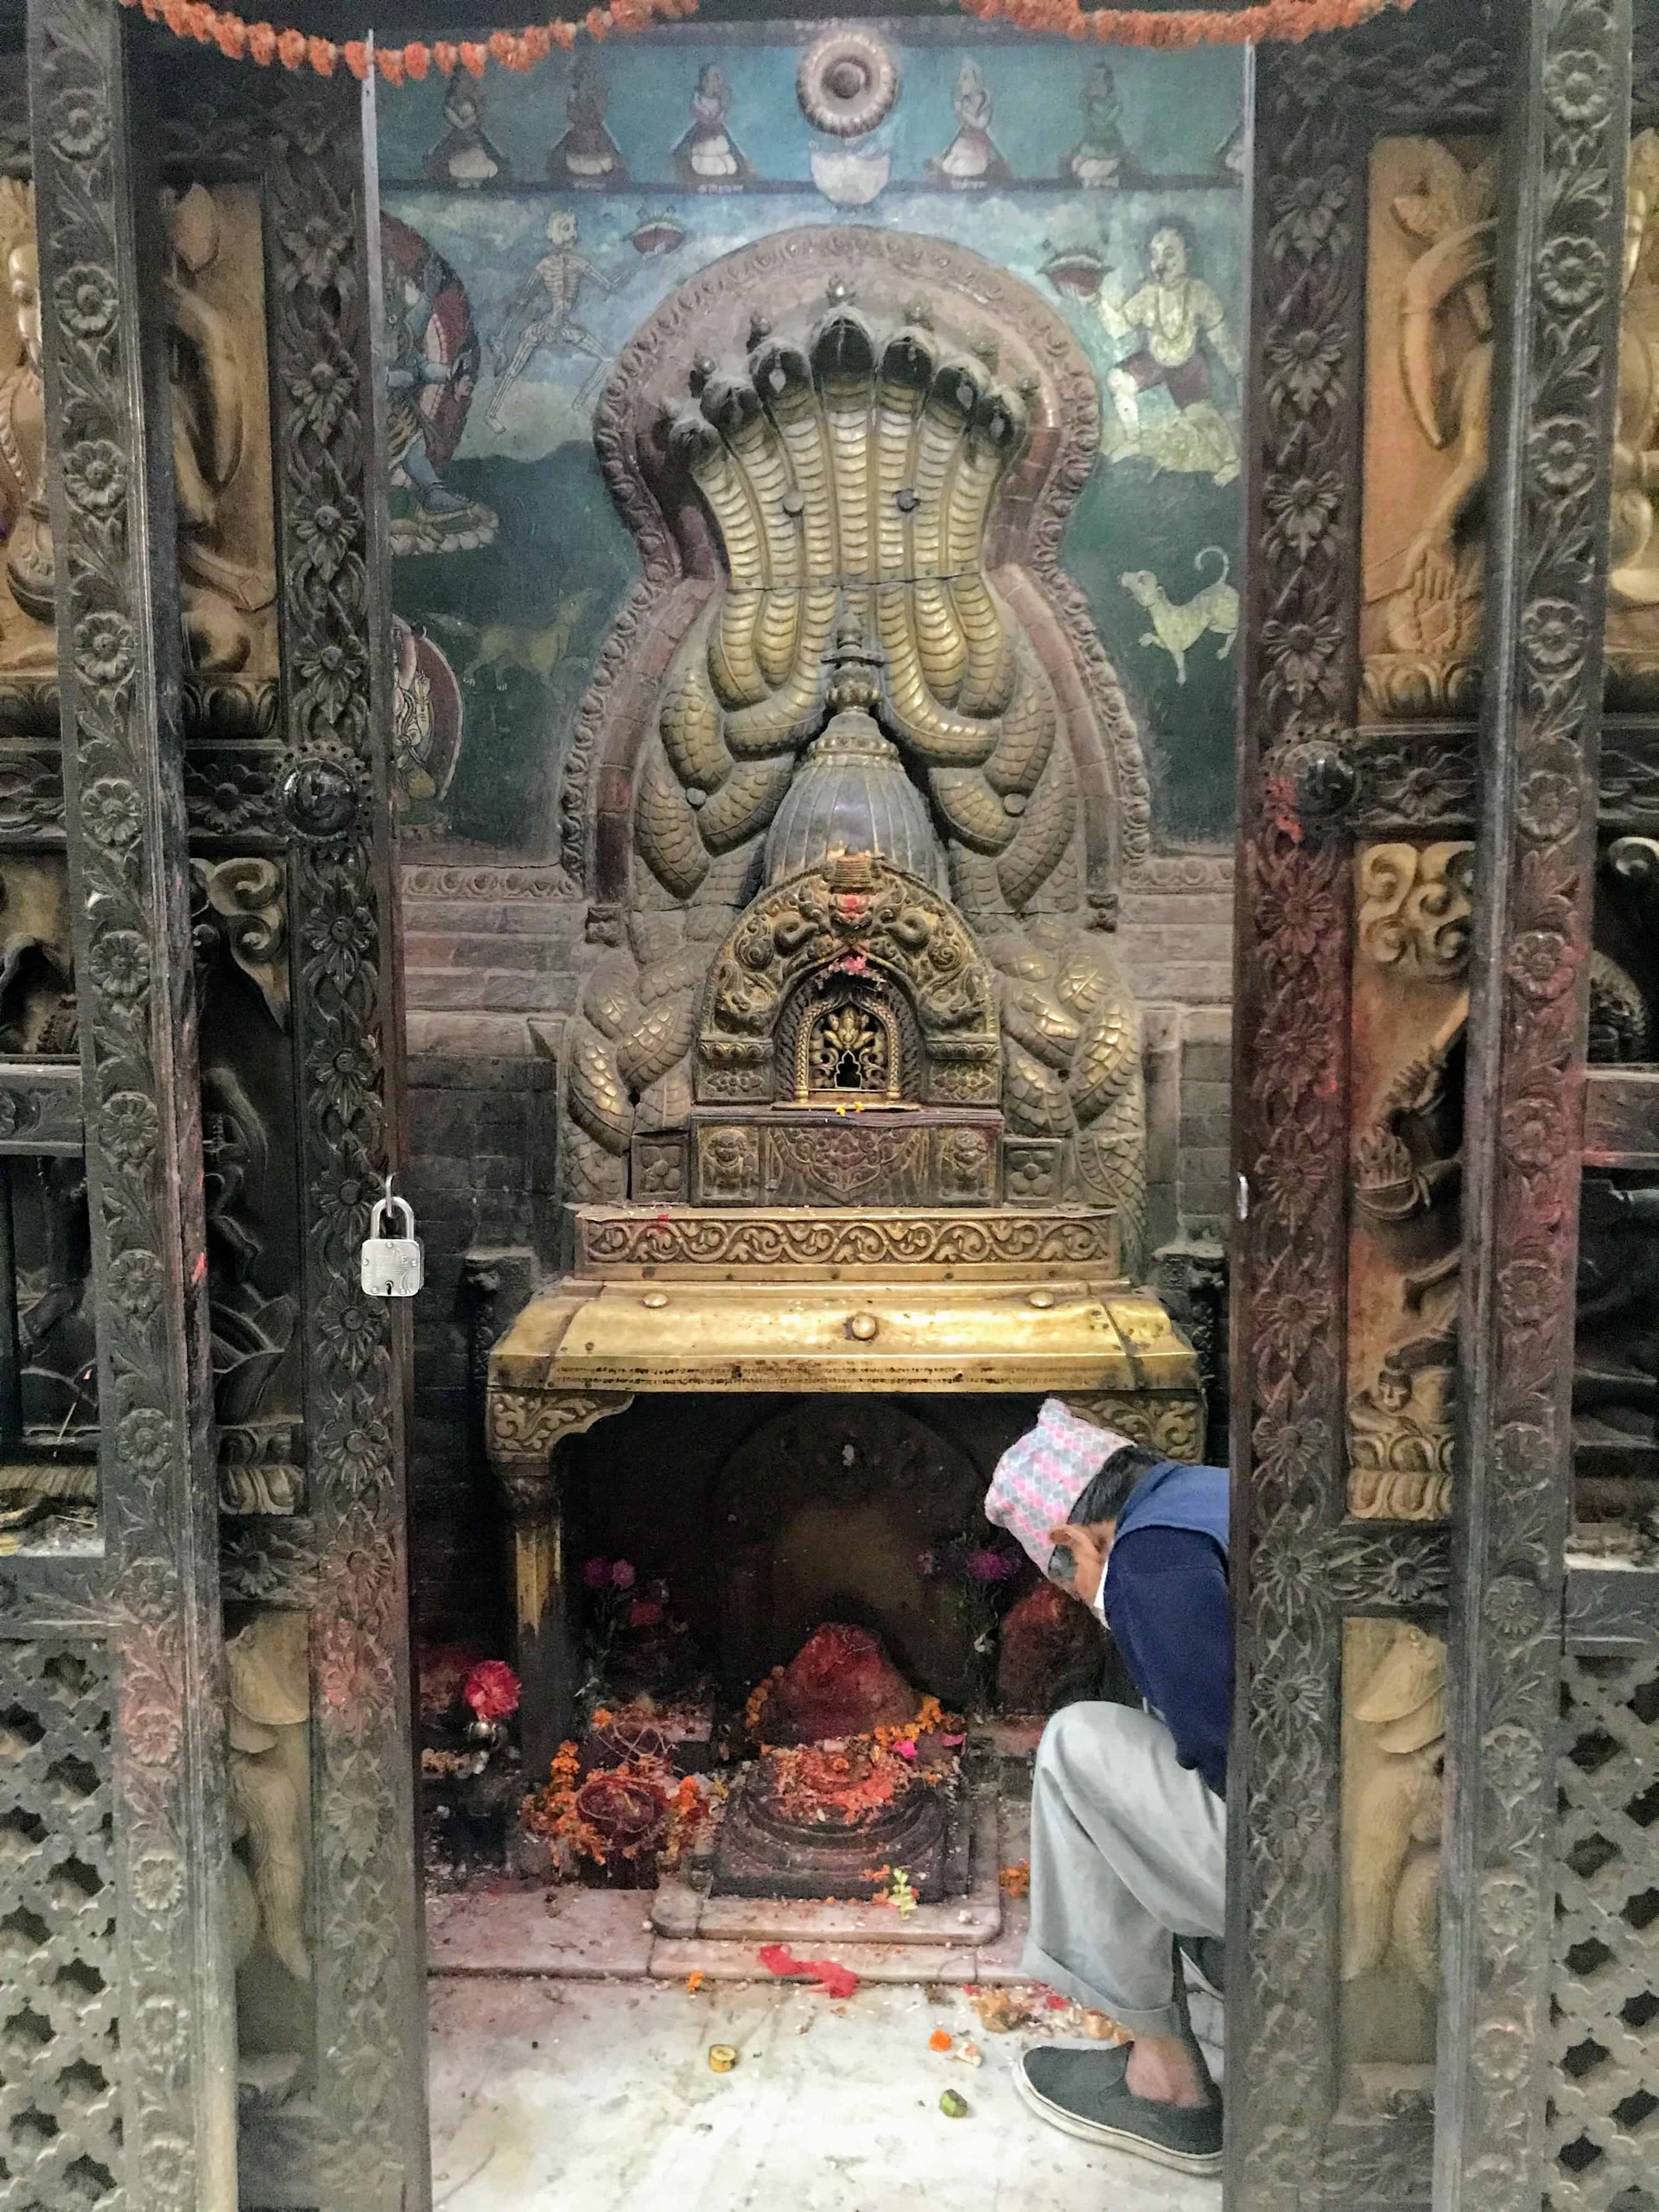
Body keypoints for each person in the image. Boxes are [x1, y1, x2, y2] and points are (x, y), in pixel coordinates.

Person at [983, 1395, 1230, 2178]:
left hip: (1322, 1863)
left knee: (1076, 1743)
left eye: (1069, 1581)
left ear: (1068, 1540)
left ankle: (1164, 2083)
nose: (1085, 1601)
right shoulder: (1210, 1493)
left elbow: (1231, 1759)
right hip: (1382, 1807)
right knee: (1130, 1737)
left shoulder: (1148, 1562)